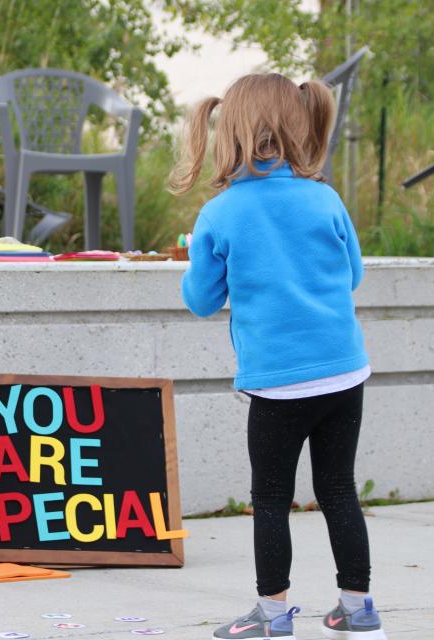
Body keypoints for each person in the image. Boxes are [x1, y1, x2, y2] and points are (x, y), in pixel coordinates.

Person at [169, 73, 386, 640]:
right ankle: (356, 607)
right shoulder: (326, 198)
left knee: (270, 498)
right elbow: (354, 275)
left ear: (229, 131)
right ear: (298, 123)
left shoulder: (222, 213)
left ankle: (271, 614)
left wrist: (196, 258)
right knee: (339, 488)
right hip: (344, 371)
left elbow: (202, 300)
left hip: (277, 385)